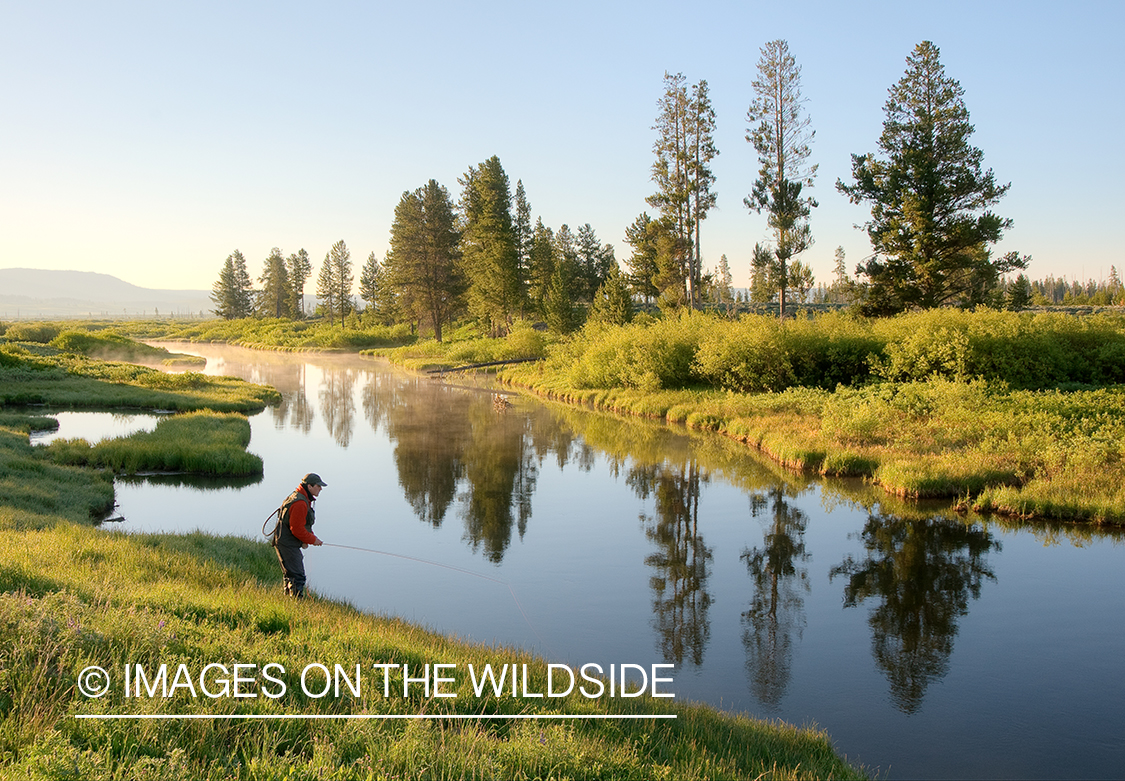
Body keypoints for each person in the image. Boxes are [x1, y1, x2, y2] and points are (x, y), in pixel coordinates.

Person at [271, 473, 326, 598]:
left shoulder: (299, 496)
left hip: (284, 540)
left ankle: (288, 602)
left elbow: (302, 524)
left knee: (290, 575)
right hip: (286, 543)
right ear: (310, 486)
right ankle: (296, 604)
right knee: (298, 576)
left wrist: (311, 536)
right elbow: (297, 530)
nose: (320, 489)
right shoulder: (300, 503)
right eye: (318, 486)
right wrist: (313, 540)